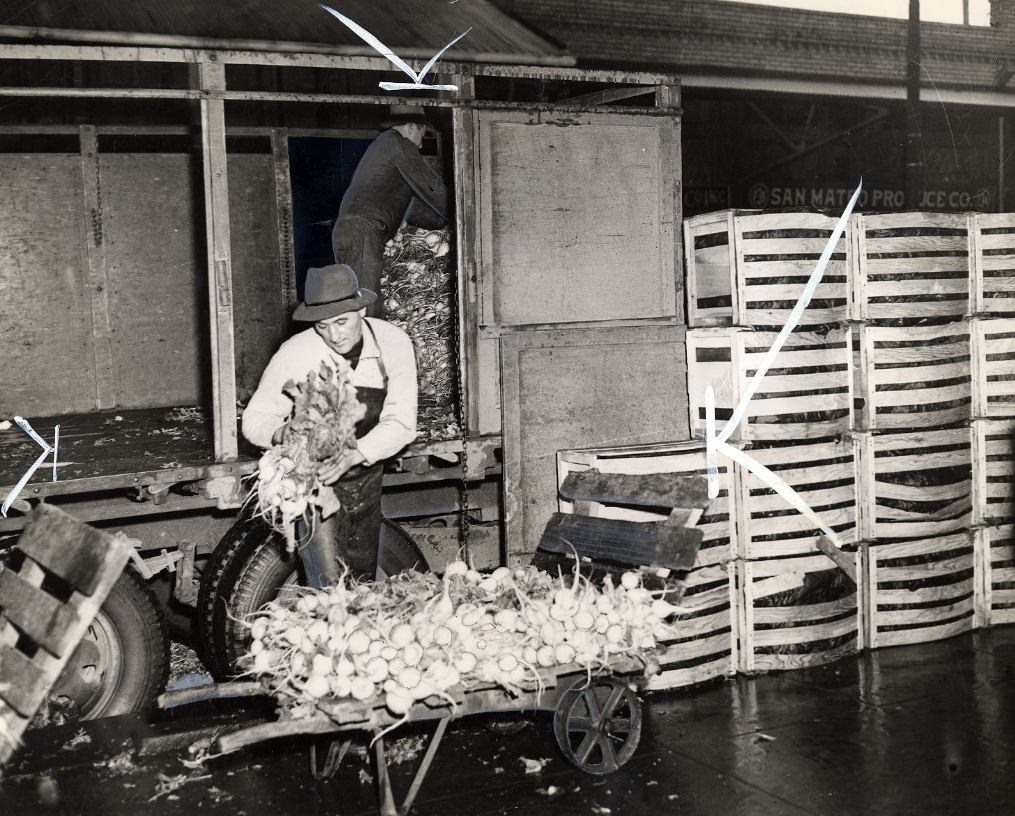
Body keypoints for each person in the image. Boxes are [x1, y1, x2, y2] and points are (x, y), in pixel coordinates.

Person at [241, 264, 418, 586]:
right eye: (323, 326)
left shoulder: (393, 343)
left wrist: (355, 454)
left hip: (366, 475)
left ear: (361, 309)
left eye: (342, 322)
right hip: (314, 485)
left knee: (362, 579)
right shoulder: (295, 353)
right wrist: (282, 433)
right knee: (327, 586)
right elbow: (254, 420)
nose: (334, 336)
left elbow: (402, 421)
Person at [331, 105, 449, 318]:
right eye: (422, 134)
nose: (421, 143)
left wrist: (440, 223)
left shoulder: (385, 149)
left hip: (356, 232)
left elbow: (411, 208)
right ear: (413, 126)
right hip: (362, 232)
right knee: (365, 306)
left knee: (363, 301)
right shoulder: (399, 145)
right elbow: (434, 189)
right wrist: (464, 213)